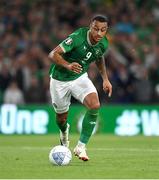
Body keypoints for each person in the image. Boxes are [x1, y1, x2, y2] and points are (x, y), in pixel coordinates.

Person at [49, 15, 112, 161]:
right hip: (60, 79)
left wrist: (105, 79)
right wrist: (67, 65)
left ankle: (81, 147)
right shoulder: (77, 37)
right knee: (61, 118)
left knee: (95, 105)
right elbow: (54, 54)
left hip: (79, 77)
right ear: (90, 26)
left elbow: (99, 57)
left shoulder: (104, 43)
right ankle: (64, 133)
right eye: (96, 29)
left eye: (103, 30)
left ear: (106, 30)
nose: (99, 33)